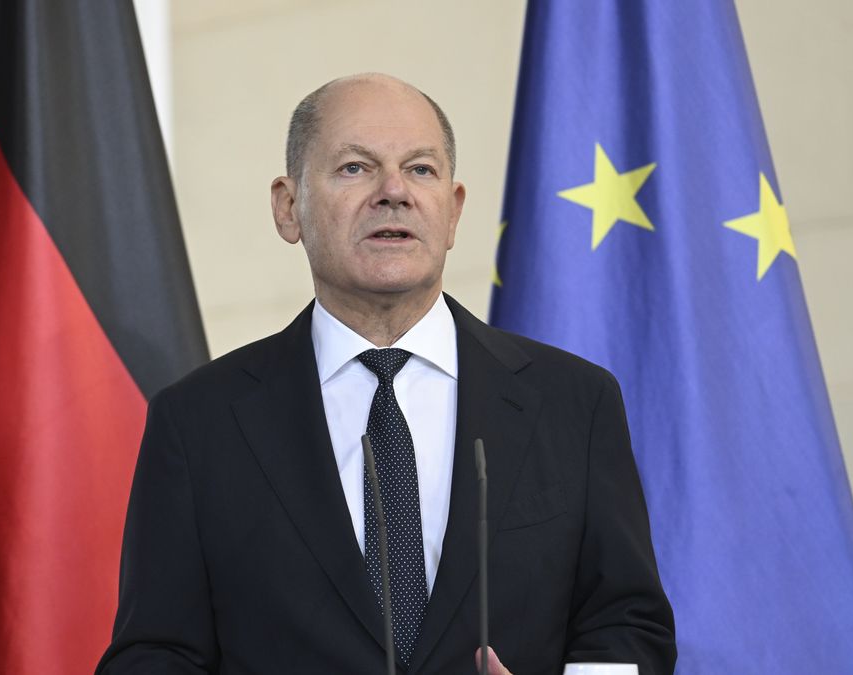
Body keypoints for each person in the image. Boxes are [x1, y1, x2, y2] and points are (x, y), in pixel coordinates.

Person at [96, 73, 675, 675]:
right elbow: (155, 653)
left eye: (421, 169)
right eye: (355, 168)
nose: (393, 191)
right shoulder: (197, 423)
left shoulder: (573, 402)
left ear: (452, 213)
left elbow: (627, 628)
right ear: (289, 207)